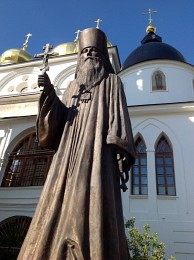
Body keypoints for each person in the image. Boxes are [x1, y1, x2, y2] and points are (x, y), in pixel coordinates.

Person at [18, 28, 135, 260]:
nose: (89, 56)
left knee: (92, 197)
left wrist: (120, 148)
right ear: (79, 58)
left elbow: (119, 116)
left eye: (94, 52)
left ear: (102, 57)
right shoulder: (72, 87)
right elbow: (60, 120)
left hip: (97, 151)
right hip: (67, 154)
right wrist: (49, 93)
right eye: (85, 52)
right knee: (55, 203)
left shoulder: (112, 82)